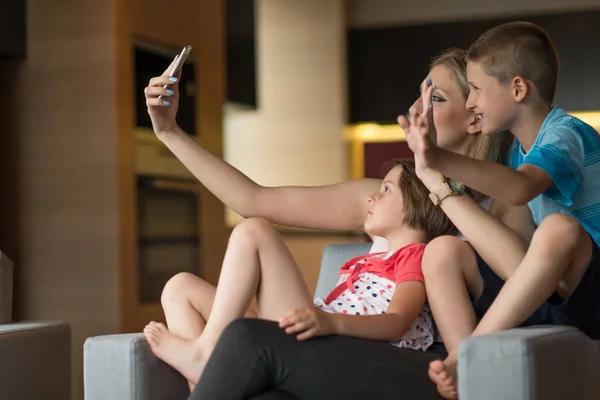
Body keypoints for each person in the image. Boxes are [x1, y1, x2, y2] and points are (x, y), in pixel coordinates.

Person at [144, 48, 533, 399]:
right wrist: (170, 132)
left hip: (402, 361)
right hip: (328, 336)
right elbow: (252, 200)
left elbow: (529, 282)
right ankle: (205, 364)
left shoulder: (502, 204)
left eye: (436, 98)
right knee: (208, 267)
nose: (417, 107)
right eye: (420, 92)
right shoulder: (383, 197)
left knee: (246, 339)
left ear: (475, 117)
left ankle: (207, 361)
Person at [404, 22, 600, 399]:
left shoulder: (565, 134)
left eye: (476, 90)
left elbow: (520, 188)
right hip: (558, 294)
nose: (471, 102)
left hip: (592, 289)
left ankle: (468, 354)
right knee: (442, 250)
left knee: (559, 229)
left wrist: (436, 156)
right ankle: (469, 383)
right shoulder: (516, 150)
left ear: (518, 88)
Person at [143, 158, 456, 384]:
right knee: (179, 288)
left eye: (386, 189)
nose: (372, 196)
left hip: (331, 347)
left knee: (254, 231)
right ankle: (205, 381)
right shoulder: (367, 263)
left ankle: (204, 354)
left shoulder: (414, 255)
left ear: (416, 204)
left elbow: (397, 323)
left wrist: (328, 321)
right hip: (314, 332)